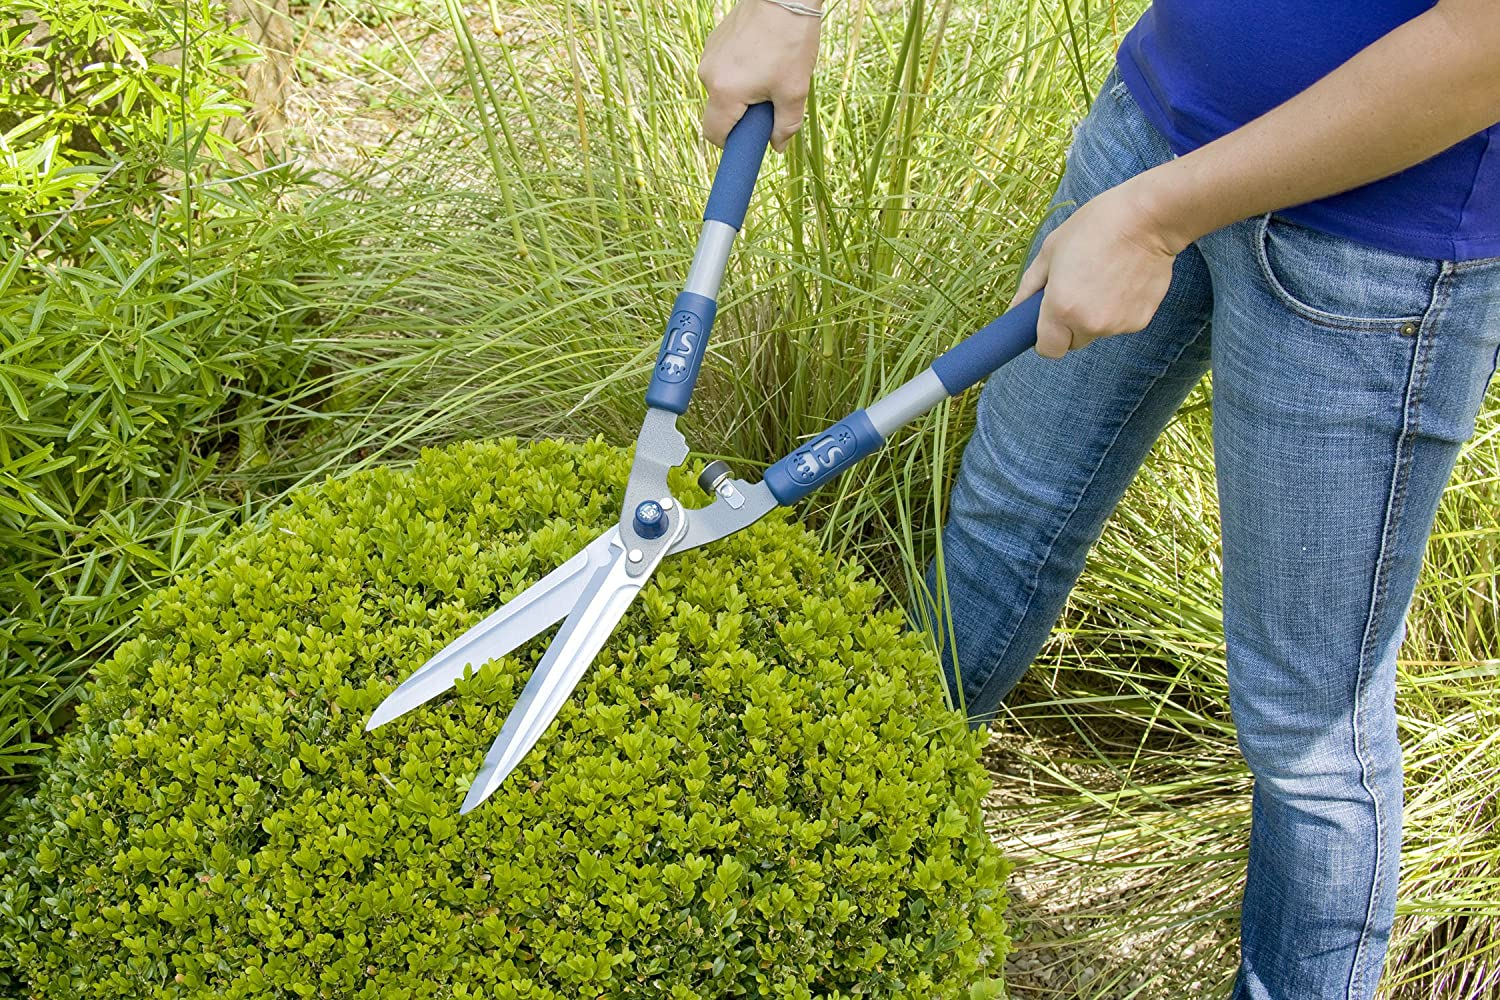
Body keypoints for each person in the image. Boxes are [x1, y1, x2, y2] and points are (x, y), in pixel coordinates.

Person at [696, 1, 1500, 997]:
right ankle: (836, 875)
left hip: (1376, 246)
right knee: (1001, 518)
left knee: (1307, 725)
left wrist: (1158, 217)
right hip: (1158, 119)